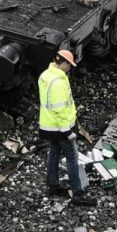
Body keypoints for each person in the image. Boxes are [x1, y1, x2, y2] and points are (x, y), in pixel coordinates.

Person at [37, 47, 95, 206]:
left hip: (48, 125)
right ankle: (78, 193)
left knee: (54, 152)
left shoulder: (45, 75)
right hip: (60, 127)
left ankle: (53, 185)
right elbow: (60, 109)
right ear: (63, 63)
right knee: (72, 157)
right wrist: (67, 131)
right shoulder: (58, 82)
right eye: (69, 65)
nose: (69, 68)